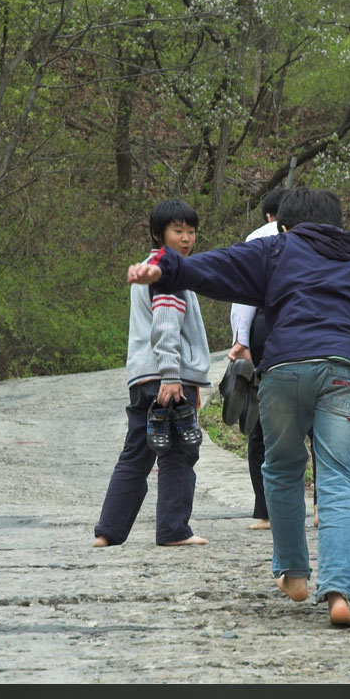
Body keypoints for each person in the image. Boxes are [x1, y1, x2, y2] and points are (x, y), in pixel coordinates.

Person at [127, 188, 350, 626]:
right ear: (338, 225)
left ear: (283, 225)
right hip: (345, 373)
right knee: (338, 480)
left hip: (284, 373)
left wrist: (166, 267)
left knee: (282, 469)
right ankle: (339, 594)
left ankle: (294, 575)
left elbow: (217, 267)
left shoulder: (276, 250)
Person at [94, 199, 212, 548]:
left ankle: (108, 531)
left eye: (191, 231)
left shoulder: (149, 267)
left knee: (136, 452)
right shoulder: (169, 271)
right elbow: (165, 325)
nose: (187, 238)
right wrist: (173, 376)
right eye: (178, 231)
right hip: (165, 377)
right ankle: (174, 530)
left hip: (143, 376)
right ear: (158, 233)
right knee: (179, 452)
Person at [226, 188, 317, 531]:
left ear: (271, 216)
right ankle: (324, 506)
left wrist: (241, 341)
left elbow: (242, 295)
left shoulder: (259, 237)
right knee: (316, 420)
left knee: (263, 422)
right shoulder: (323, 238)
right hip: (313, 330)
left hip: (267, 329)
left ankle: (265, 512)